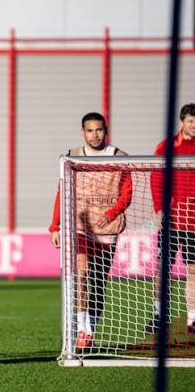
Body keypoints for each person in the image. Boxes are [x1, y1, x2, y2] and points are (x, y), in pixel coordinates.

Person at [49, 112, 132, 349]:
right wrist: (55, 225)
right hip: (80, 226)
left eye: (99, 130)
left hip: (107, 228)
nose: (94, 135)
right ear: (82, 132)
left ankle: (90, 329)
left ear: (105, 131)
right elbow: (61, 191)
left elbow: (127, 193)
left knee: (98, 281)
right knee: (81, 274)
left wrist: (111, 213)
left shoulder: (119, 157)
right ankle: (82, 329)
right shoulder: (72, 157)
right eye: (90, 130)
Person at [146, 103, 195, 334]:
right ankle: (159, 314)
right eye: (191, 121)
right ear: (182, 122)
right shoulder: (167, 147)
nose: (194, 125)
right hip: (172, 220)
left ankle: (192, 318)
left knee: (193, 270)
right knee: (162, 268)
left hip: (194, 221)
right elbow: (156, 178)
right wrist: (160, 209)